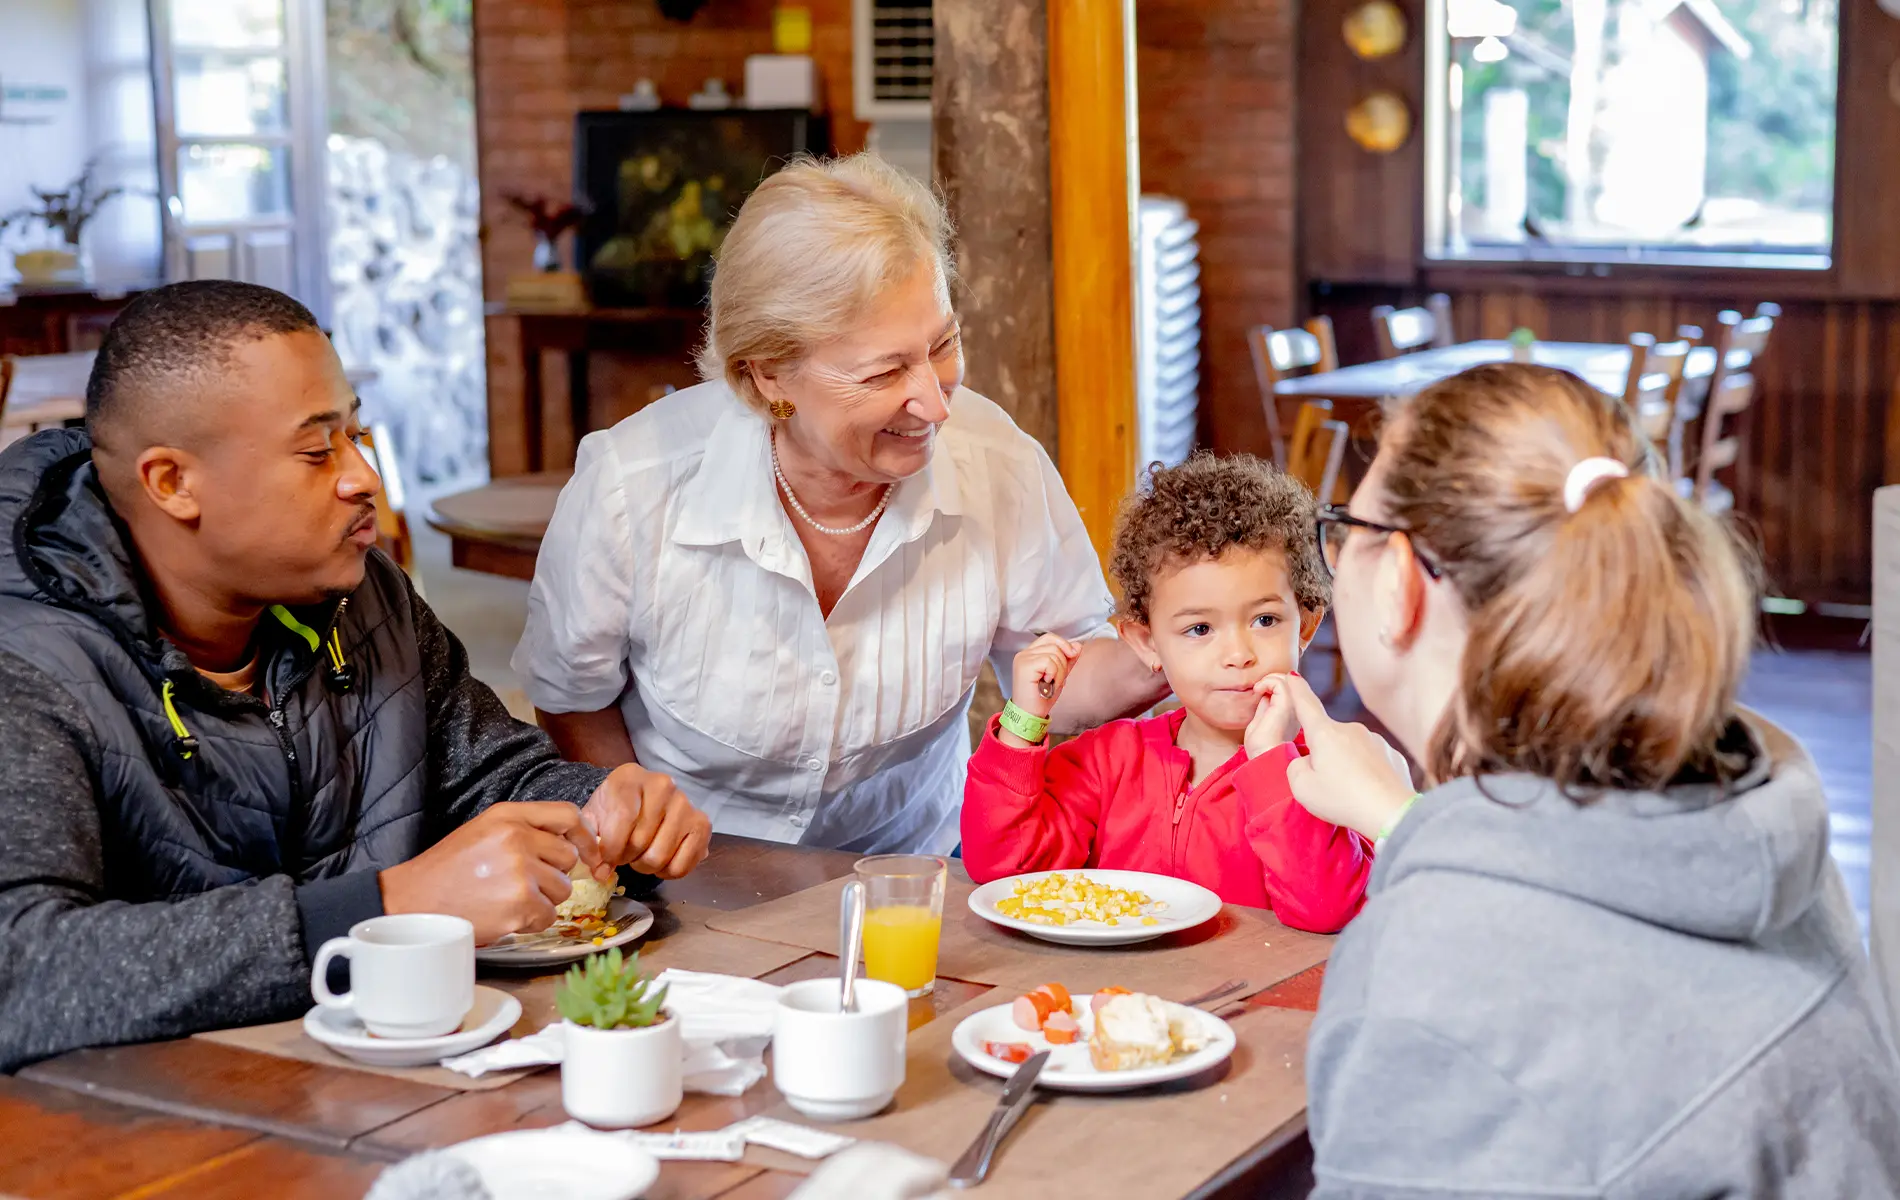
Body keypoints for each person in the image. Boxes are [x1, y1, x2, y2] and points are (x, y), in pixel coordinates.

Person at [0, 281, 711, 1072]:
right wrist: (386, 908)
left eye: (356, 434)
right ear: (172, 482)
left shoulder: (362, 597)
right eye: (317, 452)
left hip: (380, 1077)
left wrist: (600, 809)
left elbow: (488, 774)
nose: (364, 477)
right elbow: (21, 972)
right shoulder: (26, 659)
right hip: (139, 1119)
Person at [1277, 364, 1900, 1194]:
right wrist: (1405, 821)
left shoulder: (1435, 973)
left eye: (1344, 528)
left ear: (1398, 583)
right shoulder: (1753, 816)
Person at [515, 153, 1164, 855]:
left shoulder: (995, 463)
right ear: (768, 375)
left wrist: (1174, 648)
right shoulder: (632, 484)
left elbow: (1061, 673)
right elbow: (572, 696)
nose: (936, 403)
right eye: (885, 372)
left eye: (943, 344)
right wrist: (640, 828)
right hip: (698, 871)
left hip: (911, 864)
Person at [960, 454, 1380, 933]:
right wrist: (1022, 723)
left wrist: (1271, 764)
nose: (1238, 654)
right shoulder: (1108, 762)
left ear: (1304, 626)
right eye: (1200, 628)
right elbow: (1006, 868)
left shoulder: (1329, 773)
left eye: (1265, 620)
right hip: (1115, 982)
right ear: (1147, 643)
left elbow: (1326, 910)